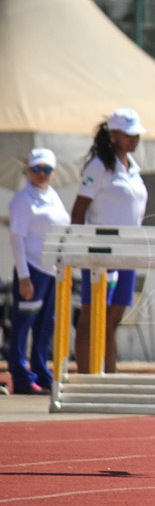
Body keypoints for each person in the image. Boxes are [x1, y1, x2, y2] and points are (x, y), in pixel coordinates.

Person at [71, 108, 149, 374]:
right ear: (114, 135)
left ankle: (109, 375)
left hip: (127, 253)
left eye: (136, 134)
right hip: (100, 251)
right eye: (129, 134)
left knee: (113, 320)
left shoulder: (134, 169)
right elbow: (79, 209)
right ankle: (85, 375)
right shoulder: (99, 166)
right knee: (91, 317)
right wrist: (78, 248)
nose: (135, 139)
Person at [6, 148, 70, 394]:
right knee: (23, 325)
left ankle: (42, 373)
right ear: (28, 170)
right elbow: (17, 238)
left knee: (45, 325)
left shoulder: (53, 195)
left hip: (52, 270)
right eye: (36, 169)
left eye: (46, 170)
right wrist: (24, 276)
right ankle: (21, 378)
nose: (41, 174)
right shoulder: (23, 199)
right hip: (32, 269)